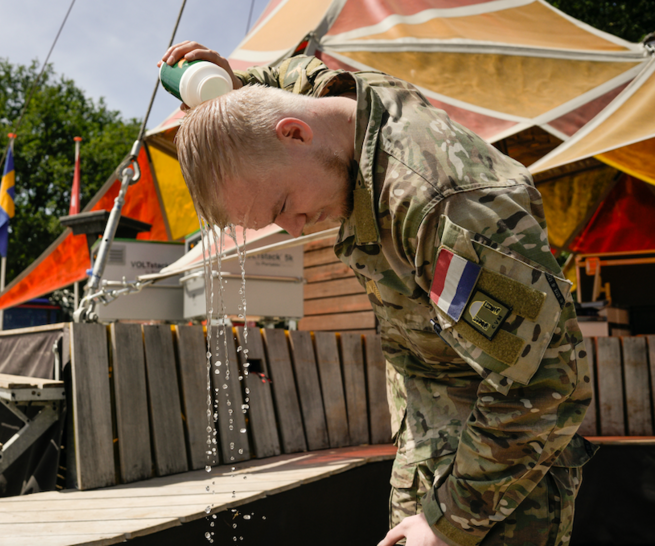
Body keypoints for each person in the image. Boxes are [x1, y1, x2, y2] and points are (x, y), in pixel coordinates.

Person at [162, 42, 596, 546]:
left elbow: (544, 388)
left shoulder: (444, 208)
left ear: (296, 134)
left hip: (501, 486)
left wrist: (447, 520)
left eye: (283, 203)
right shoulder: (323, 103)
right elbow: (280, 79)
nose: (294, 226)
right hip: (427, 451)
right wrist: (225, 88)